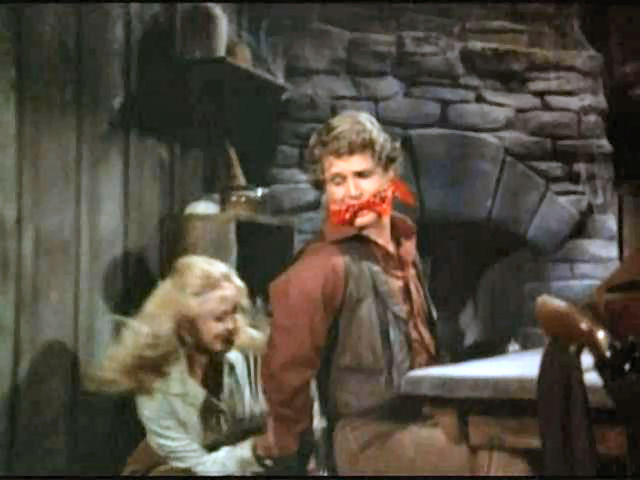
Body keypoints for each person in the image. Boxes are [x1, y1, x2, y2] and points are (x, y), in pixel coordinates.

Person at [252, 111, 474, 475]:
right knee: (502, 463)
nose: (352, 192)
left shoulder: (406, 248)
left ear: (389, 176)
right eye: (337, 180)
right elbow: (285, 376)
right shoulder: (322, 266)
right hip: (365, 435)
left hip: (423, 420)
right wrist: (295, 453)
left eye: (362, 175)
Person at [88, 254, 268, 475]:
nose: (232, 325)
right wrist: (258, 449)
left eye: (234, 313)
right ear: (185, 325)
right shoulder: (155, 389)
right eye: (220, 318)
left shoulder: (251, 352)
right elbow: (199, 468)